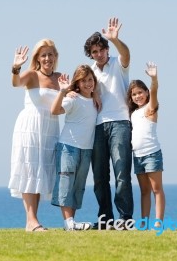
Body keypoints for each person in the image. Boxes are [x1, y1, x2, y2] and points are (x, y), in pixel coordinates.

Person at [83, 17, 133, 229]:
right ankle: (106, 219)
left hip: (120, 123)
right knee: (100, 177)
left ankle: (124, 219)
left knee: (122, 174)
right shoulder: (90, 71)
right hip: (98, 126)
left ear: (106, 49)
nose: (98, 54)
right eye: (94, 52)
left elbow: (126, 54)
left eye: (101, 49)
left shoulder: (117, 64)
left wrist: (115, 39)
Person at [8, 38, 61, 232]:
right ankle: (31, 220)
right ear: (38, 58)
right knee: (29, 170)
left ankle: (32, 221)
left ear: (56, 57)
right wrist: (15, 67)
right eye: (43, 54)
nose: (47, 58)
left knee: (40, 172)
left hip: (50, 129)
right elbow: (16, 83)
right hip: (30, 126)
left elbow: (76, 95)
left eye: (50, 54)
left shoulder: (61, 77)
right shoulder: (31, 75)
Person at [50, 65, 98, 231]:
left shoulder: (96, 100)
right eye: (83, 81)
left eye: (90, 80)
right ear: (77, 83)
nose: (87, 83)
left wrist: (96, 94)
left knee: (78, 186)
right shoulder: (72, 98)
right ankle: (69, 222)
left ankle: (71, 224)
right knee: (66, 184)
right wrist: (62, 91)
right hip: (68, 147)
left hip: (86, 150)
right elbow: (55, 110)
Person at [127, 62, 165, 228]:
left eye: (140, 92)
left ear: (147, 93)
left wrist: (154, 79)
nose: (137, 96)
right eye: (134, 94)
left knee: (156, 189)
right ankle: (143, 224)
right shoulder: (133, 113)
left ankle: (158, 223)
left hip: (151, 154)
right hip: (138, 156)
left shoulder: (150, 108)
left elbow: (155, 90)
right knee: (144, 191)